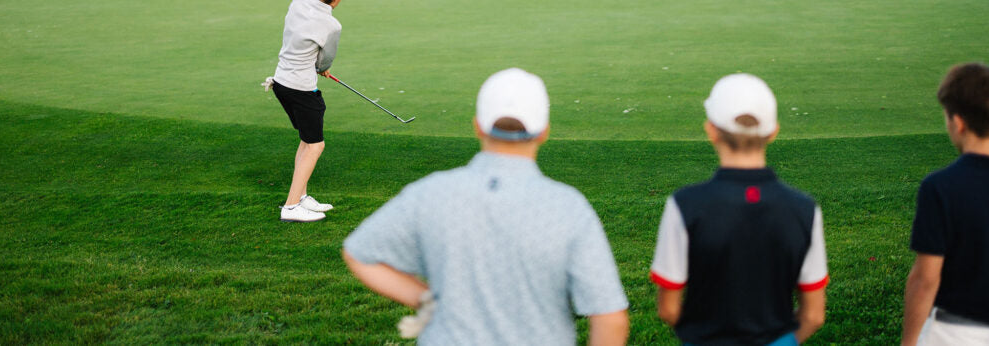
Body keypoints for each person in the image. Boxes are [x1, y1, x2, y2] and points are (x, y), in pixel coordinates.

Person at [342, 67, 630, 345]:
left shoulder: (431, 192)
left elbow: (359, 253)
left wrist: (426, 300)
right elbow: (610, 317)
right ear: (544, 131)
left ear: (478, 126)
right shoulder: (568, 207)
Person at [650, 73, 828, 345]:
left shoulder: (684, 205)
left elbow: (668, 309)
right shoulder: (805, 209)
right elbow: (813, 316)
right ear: (773, 131)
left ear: (711, 130)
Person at [902, 62, 989, 345]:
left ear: (958, 123)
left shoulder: (940, 186)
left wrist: (908, 341)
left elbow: (925, 279)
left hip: (954, 332)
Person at [263, 0, 352, 222]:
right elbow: (324, 61)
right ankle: (291, 207)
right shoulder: (332, 26)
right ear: (336, 0)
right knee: (315, 145)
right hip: (301, 89)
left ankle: (300, 196)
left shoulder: (298, 1)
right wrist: (322, 68)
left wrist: (317, 64)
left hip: (281, 83)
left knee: (306, 141)